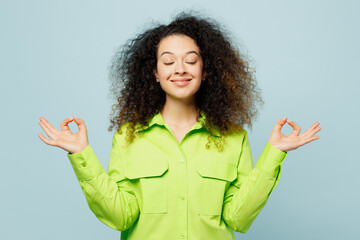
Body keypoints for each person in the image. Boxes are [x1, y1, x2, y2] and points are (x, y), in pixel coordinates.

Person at [38, 12, 321, 240]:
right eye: (168, 61)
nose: (180, 69)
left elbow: (238, 218)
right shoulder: (128, 136)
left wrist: (274, 154)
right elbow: (119, 217)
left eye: (191, 60)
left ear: (205, 70)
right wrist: (81, 155)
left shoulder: (235, 137)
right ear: (155, 72)